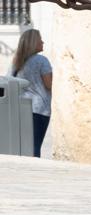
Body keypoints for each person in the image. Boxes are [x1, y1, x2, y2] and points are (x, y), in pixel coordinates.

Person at [8, 29, 53, 158]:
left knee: (21, 146)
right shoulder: (42, 60)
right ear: (34, 43)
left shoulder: (16, 61)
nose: (43, 42)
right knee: (34, 146)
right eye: (40, 40)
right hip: (38, 109)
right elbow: (49, 84)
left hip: (19, 107)